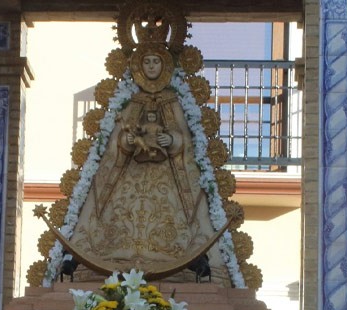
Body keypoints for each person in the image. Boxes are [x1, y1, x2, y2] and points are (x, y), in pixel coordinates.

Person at [68, 42, 229, 281]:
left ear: (164, 66)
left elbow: (186, 141)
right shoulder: (131, 102)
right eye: (147, 61)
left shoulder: (174, 101)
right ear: (139, 66)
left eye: (156, 61)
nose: (151, 66)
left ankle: (183, 262)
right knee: (118, 217)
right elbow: (115, 145)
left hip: (169, 178)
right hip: (129, 176)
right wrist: (127, 140)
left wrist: (171, 139)